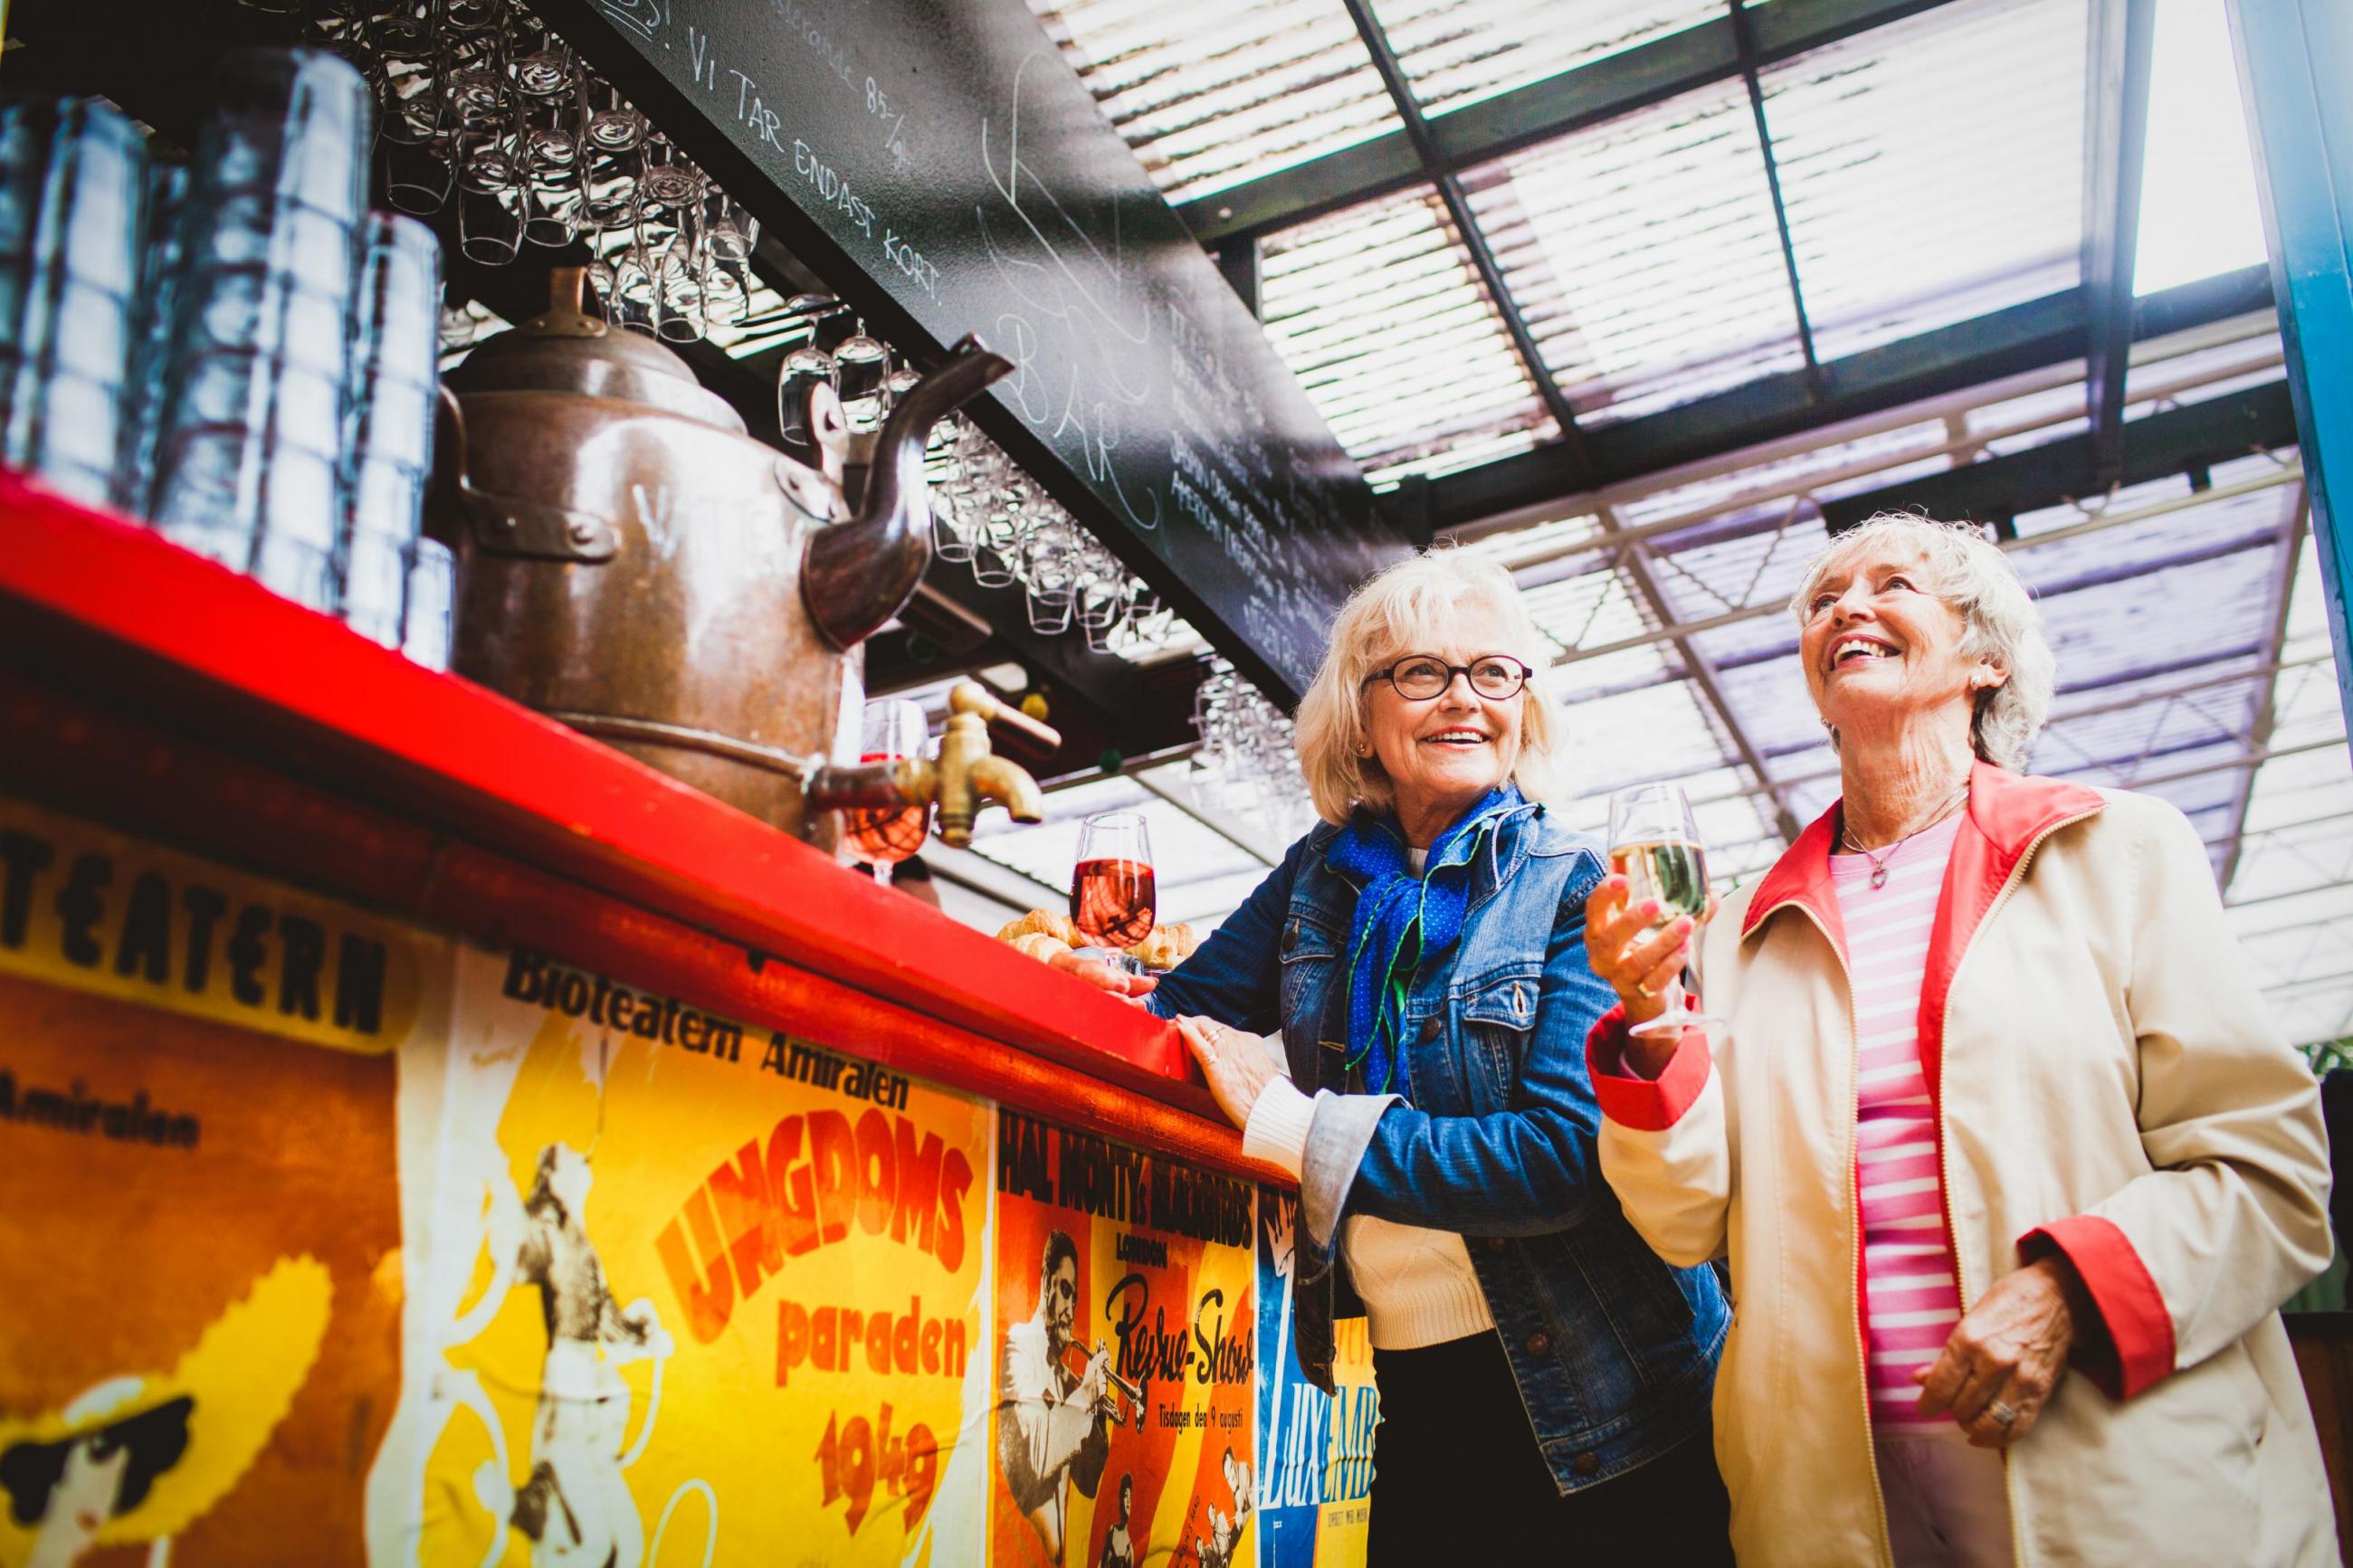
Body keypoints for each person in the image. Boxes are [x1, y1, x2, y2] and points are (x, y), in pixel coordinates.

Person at [1583, 514, 2338, 1565]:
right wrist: (1653, 1017)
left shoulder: (2117, 851)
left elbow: (2270, 1172)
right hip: (1837, 1505)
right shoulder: (1738, 925)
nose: (1845, 606)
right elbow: (1683, 1223)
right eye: (1821, 600)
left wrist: (2071, 1289)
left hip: (2114, 1476)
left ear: (1983, 660)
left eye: (1891, 584)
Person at [1081, 550, 1733, 1563]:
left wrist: (1296, 1125)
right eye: (1422, 672)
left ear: (1524, 703)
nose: (1462, 700)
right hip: (1415, 1382)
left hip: (1613, 1401)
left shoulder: (1571, 885)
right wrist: (1088, 980)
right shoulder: (1318, 877)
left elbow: (1557, 1158)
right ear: (1359, 714)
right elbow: (1177, 1011)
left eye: (1493, 672)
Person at [997, 1229, 1112, 1563]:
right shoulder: (1019, 1343)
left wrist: (1099, 1412)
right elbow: (1036, 1455)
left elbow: (1087, 1481)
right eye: (1064, 1291)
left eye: (1074, 1299)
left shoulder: (1065, 1377)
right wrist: (1087, 1395)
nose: (1070, 1309)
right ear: (1046, 1281)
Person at [1096, 1473, 1137, 1568]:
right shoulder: (1112, 1531)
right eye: (1126, 1495)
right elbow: (1101, 1561)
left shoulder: (1130, 1549)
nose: (1127, 1501)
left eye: (1130, 1498)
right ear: (1120, 1498)